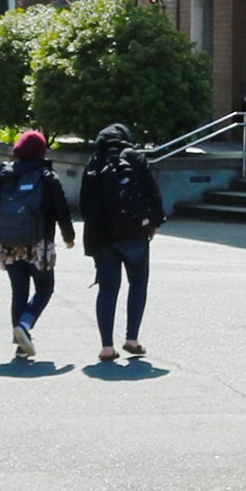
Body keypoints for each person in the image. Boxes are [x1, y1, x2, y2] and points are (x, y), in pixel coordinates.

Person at [80, 123, 164, 364]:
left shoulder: (94, 162)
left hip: (104, 237)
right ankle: (132, 339)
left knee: (107, 289)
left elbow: (84, 203)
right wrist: (155, 222)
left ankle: (107, 346)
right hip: (134, 233)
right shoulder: (134, 158)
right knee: (138, 283)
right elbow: (152, 193)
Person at [0, 130, 75, 360]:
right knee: (45, 288)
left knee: (19, 290)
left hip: (8, 242)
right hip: (39, 242)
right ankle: (25, 325)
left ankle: (20, 344)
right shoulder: (47, 176)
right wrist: (69, 236)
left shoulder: (5, 174)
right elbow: (61, 209)